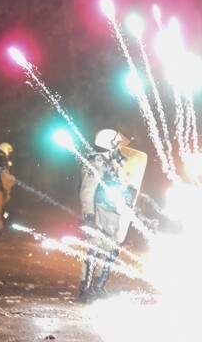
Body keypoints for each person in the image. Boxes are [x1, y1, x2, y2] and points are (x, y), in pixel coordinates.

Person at [77, 129, 137, 303]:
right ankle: (85, 289)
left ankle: (99, 285)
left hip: (111, 212)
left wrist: (127, 192)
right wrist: (89, 215)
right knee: (95, 247)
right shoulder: (95, 163)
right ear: (109, 145)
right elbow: (87, 191)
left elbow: (114, 187)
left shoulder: (111, 165)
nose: (118, 149)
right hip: (98, 210)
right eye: (117, 145)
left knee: (111, 249)